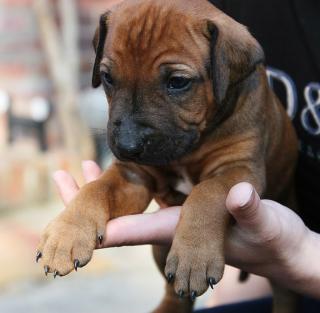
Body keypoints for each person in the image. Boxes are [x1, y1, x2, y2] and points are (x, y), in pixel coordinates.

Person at [52, 0, 320, 311]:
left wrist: (297, 256)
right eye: (111, 79)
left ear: (229, 73)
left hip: (299, 245)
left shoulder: (231, 65)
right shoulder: (199, 23)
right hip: (237, 260)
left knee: (286, 300)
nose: (128, 139)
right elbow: (130, 176)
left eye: (177, 82)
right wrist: (83, 213)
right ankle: (175, 299)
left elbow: (243, 172)